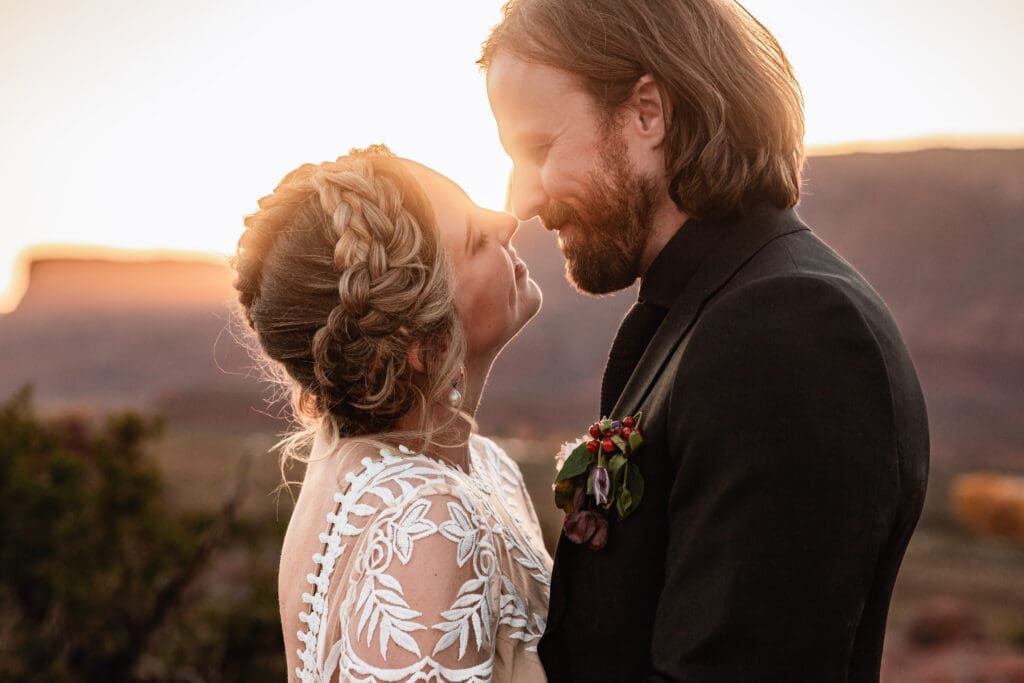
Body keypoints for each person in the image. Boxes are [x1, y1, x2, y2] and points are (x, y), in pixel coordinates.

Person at [480, 1, 929, 681]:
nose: (522, 202)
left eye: (539, 149)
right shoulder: (710, 311)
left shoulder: (790, 330)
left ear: (648, 113)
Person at [232, 146, 551, 682]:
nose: (507, 220)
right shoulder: (422, 520)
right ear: (423, 344)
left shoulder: (479, 464)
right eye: (476, 240)